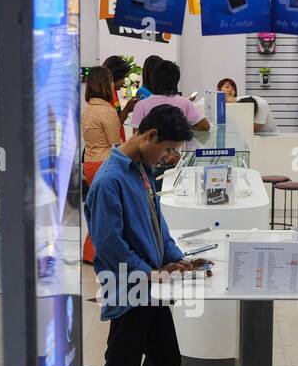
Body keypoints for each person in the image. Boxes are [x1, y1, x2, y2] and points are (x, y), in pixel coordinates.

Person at [85, 104, 212, 366]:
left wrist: (176, 258)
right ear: (150, 135)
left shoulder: (141, 169)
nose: (170, 157)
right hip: (128, 290)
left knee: (167, 358)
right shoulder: (110, 179)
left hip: (151, 287)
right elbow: (108, 244)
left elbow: (157, 222)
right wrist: (148, 273)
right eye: (169, 149)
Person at [81, 66, 123, 262]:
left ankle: (92, 252)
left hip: (89, 162)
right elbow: (115, 143)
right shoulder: (107, 111)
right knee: (105, 212)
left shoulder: (88, 109)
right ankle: (92, 252)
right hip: (104, 164)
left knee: (98, 208)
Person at [126, 60, 210, 133]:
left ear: (154, 79)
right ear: (176, 80)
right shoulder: (185, 102)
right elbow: (205, 126)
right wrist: (182, 129)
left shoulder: (141, 105)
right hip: (177, 149)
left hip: (150, 150)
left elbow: (136, 135)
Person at [102, 55, 137, 127]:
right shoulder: (105, 96)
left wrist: (127, 109)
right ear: (115, 76)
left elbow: (118, 119)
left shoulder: (113, 92)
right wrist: (127, 109)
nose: (124, 82)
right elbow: (113, 126)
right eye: (123, 77)